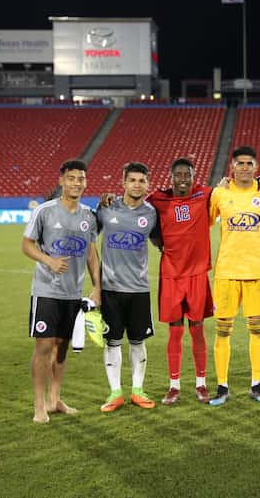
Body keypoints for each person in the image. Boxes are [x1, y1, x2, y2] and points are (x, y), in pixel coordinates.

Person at [99, 157, 215, 405]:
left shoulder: (205, 194)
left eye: (188, 175)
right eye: (178, 175)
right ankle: (174, 387)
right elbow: (154, 232)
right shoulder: (156, 201)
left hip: (196, 275)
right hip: (171, 275)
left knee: (197, 330)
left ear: (194, 177)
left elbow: (230, 193)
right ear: (170, 178)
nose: (183, 179)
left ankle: (201, 384)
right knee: (174, 332)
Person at [22, 158, 100, 423]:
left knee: (63, 347)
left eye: (81, 178)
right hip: (46, 291)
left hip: (73, 293)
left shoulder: (89, 216)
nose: (76, 183)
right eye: (71, 178)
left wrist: (97, 286)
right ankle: (39, 404)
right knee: (44, 346)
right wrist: (49, 261)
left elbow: (91, 253)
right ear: (61, 180)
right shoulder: (44, 211)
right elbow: (27, 245)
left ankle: (55, 399)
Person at [209, 146, 260, 405]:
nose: (245, 168)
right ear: (232, 167)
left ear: (256, 167)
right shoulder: (220, 193)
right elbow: (204, 219)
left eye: (250, 163)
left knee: (257, 329)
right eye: (240, 163)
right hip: (226, 272)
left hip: (256, 271)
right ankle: (222, 386)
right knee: (223, 330)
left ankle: (256, 384)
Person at [97, 162, 158, 412]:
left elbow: (163, 242)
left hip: (138, 289)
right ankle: (115, 393)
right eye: (132, 180)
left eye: (141, 181)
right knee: (112, 341)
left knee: (137, 341)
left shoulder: (152, 213)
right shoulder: (105, 208)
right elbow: (88, 239)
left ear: (147, 184)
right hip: (110, 289)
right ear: (123, 182)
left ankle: (137, 390)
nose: (136, 185)